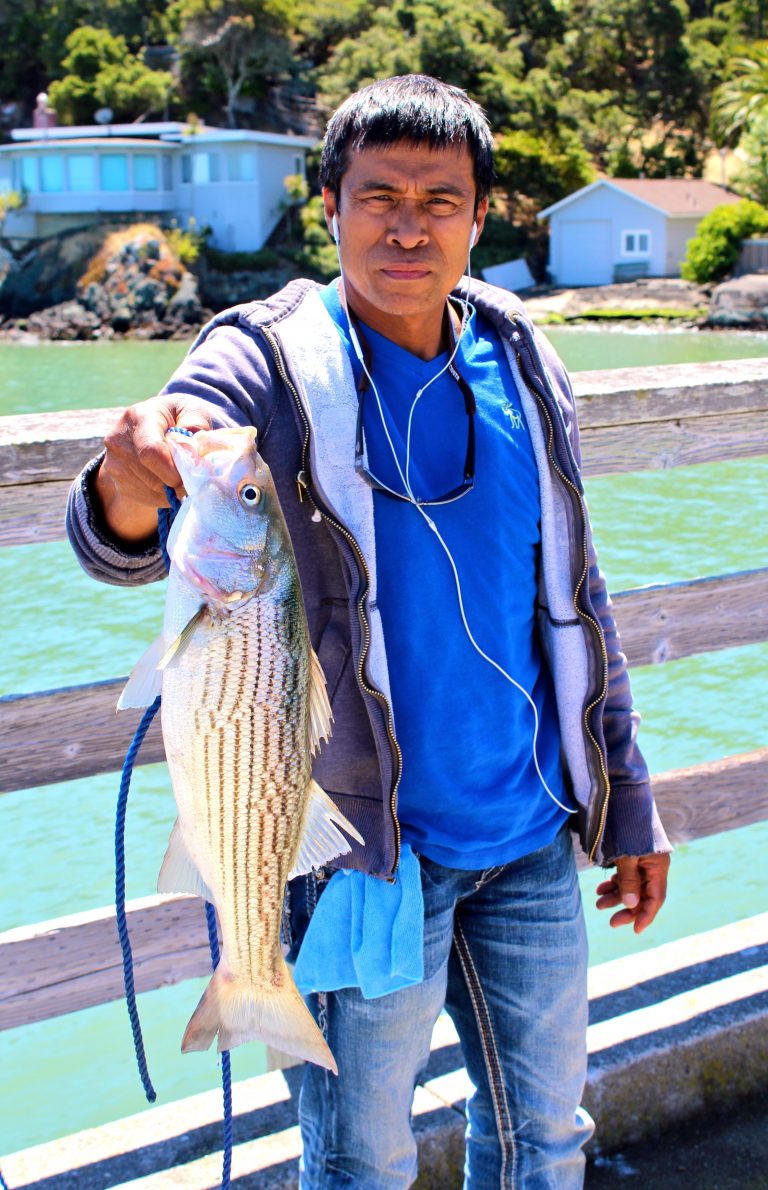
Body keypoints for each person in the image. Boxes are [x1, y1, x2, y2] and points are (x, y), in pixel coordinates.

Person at [67, 74, 671, 1189]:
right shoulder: (261, 359)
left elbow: (581, 600)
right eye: (378, 193)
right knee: (362, 1161)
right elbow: (124, 533)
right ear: (329, 206)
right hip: (363, 852)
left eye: (440, 199)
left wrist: (626, 796)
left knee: (548, 1138)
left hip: (532, 833)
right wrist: (129, 468)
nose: (408, 223)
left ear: (481, 216)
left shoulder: (524, 357)